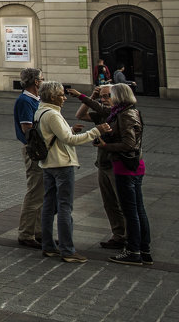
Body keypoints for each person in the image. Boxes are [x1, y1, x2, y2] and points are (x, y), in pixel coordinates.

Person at [35, 81, 109, 263]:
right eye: (61, 94)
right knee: (64, 208)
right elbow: (70, 140)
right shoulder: (52, 114)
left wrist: (70, 129)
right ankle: (67, 250)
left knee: (49, 206)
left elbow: (54, 135)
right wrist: (95, 131)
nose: (64, 97)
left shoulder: (40, 111)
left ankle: (48, 246)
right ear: (52, 96)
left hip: (48, 164)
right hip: (61, 165)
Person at [67, 85, 126, 251]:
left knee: (121, 202)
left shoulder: (118, 114)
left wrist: (82, 95)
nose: (104, 99)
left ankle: (129, 236)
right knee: (109, 202)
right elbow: (80, 115)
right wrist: (92, 95)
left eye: (107, 96)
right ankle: (118, 235)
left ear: (117, 97)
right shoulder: (103, 114)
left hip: (116, 164)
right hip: (102, 163)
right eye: (102, 96)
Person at [97, 83, 151, 265]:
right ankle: (144, 250)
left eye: (110, 95)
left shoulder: (126, 114)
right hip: (133, 165)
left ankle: (134, 251)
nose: (107, 98)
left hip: (125, 167)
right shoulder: (125, 112)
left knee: (131, 211)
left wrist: (106, 146)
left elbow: (129, 144)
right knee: (137, 209)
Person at [13, 68, 44, 247]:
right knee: (35, 192)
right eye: (42, 78)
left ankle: (38, 231)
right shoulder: (25, 100)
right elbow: (27, 128)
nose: (43, 80)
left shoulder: (35, 99)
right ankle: (26, 233)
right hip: (34, 150)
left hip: (39, 149)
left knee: (41, 193)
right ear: (36, 82)